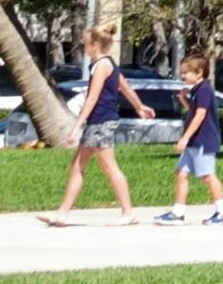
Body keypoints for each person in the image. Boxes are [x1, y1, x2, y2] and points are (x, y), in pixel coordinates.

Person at [44, 27, 148, 224]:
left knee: (109, 167)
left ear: (96, 45)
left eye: (85, 44)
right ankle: (62, 214)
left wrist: (76, 126)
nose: (84, 47)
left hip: (101, 121)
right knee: (77, 166)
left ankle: (128, 213)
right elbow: (124, 87)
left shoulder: (101, 65)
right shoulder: (109, 63)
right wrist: (139, 106)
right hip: (98, 121)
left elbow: (92, 97)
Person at [155, 53, 223, 223]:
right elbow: (193, 111)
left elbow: (200, 115)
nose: (183, 76)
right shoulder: (197, 90)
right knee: (181, 173)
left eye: (185, 72)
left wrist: (185, 138)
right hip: (195, 141)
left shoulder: (204, 90)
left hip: (203, 141)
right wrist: (183, 99)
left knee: (207, 175)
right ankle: (178, 213)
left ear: (199, 72)